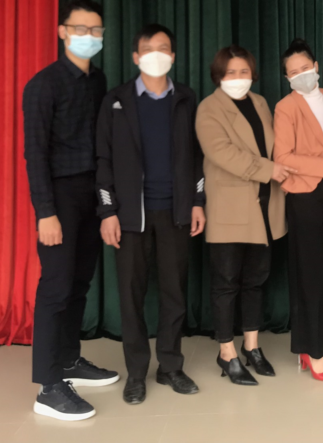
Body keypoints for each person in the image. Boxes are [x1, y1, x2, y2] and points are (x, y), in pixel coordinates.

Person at [95, 24, 207, 405]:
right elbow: (103, 159)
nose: (156, 54)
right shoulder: (116, 101)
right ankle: (136, 373)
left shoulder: (187, 98)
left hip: (175, 212)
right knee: (131, 297)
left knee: (175, 294)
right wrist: (107, 211)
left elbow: (198, 157)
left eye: (164, 48)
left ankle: (171, 366)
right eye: (148, 49)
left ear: (173, 56)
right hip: (130, 217)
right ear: (135, 57)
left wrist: (197, 201)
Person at [22, 0, 119, 422]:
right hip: (58, 196)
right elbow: (35, 154)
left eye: (95, 30)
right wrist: (45, 212)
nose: (88, 37)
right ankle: (48, 386)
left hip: (90, 192)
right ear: (63, 32)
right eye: (80, 29)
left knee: (80, 281)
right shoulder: (43, 85)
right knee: (56, 286)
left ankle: (68, 360)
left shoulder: (98, 81)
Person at [195, 45, 295, 386]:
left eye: (244, 72)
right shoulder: (209, 108)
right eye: (231, 72)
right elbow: (221, 152)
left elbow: (274, 145)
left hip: (265, 207)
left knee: (256, 280)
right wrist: (269, 170)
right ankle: (226, 353)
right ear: (218, 76)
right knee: (226, 283)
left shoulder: (260, 103)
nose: (238, 78)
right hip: (230, 209)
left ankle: (251, 346)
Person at [273, 39, 323, 382]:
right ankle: (312, 351)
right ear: (286, 78)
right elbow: (283, 157)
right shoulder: (285, 107)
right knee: (310, 271)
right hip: (305, 193)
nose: (301, 75)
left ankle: (320, 345)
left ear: (316, 67)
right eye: (293, 73)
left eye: (305, 68)